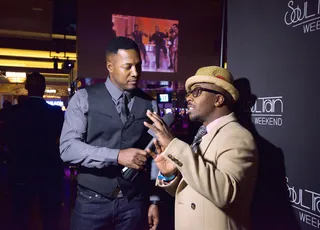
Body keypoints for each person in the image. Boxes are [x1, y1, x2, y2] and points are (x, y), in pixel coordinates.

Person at [60, 36, 160, 230]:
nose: (135, 73)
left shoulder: (150, 103)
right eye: (128, 67)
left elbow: (156, 154)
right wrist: (117, 156)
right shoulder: (83, 99)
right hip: (92, 203)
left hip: (134, 203)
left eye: (138, 66)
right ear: (110, 66)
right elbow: (68, 149)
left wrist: (154, 200)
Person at [144, 66, 259, 230]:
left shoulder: (238, 136)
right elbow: (197, 186)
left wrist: (173, 145)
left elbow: (224, 194)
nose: (189, 98)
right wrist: (170, 175)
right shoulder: (203, 134)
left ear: (218, 100)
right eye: (188, 93)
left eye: (196, 92)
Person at [6, 72, 64, 230]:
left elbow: (6, 141)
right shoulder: (55, 113)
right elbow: (62, 143)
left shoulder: (13, 113)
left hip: (21, 171)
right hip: (48, 172)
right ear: (44, 89)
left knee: (20, 217)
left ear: (26, 88)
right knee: (50, 217)